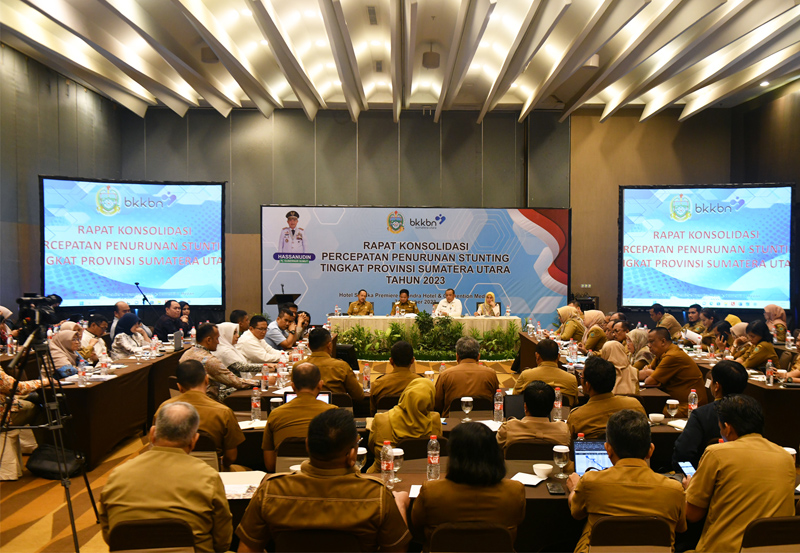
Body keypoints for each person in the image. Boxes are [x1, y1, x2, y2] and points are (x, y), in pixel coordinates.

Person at [237, 409, 412, 553]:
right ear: (352, 455)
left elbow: (246, 549)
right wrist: (401, 507)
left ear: (307, 445)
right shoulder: (378, 495)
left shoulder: (270, 491)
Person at [99, 402, 232, 553]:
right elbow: (222, 542)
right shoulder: (208, 477)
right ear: (194, 440)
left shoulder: (117, 476)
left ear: (152, 434)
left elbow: (110, 536)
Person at [683, 395, 795, 553]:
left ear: (727, 428)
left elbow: (692, 514)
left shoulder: (716, 454)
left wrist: (689, 489)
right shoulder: (786, 457)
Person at [566, 410, 686, 553]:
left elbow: (576, 512)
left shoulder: (590, 482)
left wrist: (575, 487)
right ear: (650, 451)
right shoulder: (675, 489)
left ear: (608, 449)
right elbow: (681, 527)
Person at [410, 422, 526, 550]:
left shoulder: (431, 492)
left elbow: (416, 527)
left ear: (454, 456)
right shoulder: (515, 491)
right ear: (495, 454)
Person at [156, 360, 245, 470]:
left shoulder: (163, 409)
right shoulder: (224, 412)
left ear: (179, 386)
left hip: (170, 470)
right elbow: (231, 456)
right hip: (213, 471)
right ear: (206, 380)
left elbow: (157, 446)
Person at [261, 362, 336, 473]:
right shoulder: (334, 413)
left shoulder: (275, 414)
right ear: (320, 385)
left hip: (285, 481)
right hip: (326, 481)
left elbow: (270, 465)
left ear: (293, 387)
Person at [672, 360, 747, 471]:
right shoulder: (752, 411)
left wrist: (694, 479)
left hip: (707, 477)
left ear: (716, 386)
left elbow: (682, 454)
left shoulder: (702, 414)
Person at [367, 379, 442, 472]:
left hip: (384, 474)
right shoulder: (435, 420)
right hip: (424, 474)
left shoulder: (380, 419)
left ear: (405, 394)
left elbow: (370, 446)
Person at [567, 356, 644, 438]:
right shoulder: (635, 405)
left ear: (587, 385)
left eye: (581, 377)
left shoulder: (577, 417)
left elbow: (569, 445)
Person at [179, 323, 258, 401]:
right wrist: (261, 382)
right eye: (217, 339)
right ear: (209, 340)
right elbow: (236, 382)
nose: (218, 342)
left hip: (186, 400)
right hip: (208, 402)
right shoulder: (210, 360)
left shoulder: (185, 354)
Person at [640, 327, 707, 416]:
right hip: (675, 400)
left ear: (663, 342)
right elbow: (642, 374)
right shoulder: (661, 353)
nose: (648, 345)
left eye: (651, 341)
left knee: (656, 410)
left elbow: (649, 381)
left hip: (690, 405)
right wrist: (648, 372)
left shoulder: (672, 356)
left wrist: (648, 372)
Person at [496, 380, 570, 452]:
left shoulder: (508, 428)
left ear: (525, 407)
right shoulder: (563, 430)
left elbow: (494, 449)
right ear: (553, 407)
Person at [294, 328, 364, 402]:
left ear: (309, 346)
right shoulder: (341, 366)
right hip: (336, 411)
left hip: (306, 410)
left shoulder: (298, 367)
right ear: (329, 345)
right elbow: (359, 396)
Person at [434, 337, 498, 416]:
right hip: (483, 424)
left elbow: (437, 405)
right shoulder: (491, 374)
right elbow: (496, 402)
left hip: (451, 425)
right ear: (478, 357)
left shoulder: (445, 375)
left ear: (457, 357)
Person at [513, 339, 578, 406]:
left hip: (533, 415)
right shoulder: (571, 379)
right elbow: (575, 402)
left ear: (537, 356)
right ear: (558, 357)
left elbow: (514, 397)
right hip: (562, 415)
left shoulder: (526, 375)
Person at [370, 340, 422, 415]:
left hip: (386, 426)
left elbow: (372, 414)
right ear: (412, 360)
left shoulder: (378, 384)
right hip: (415, 426)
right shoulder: (422, 384)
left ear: (391, 361)